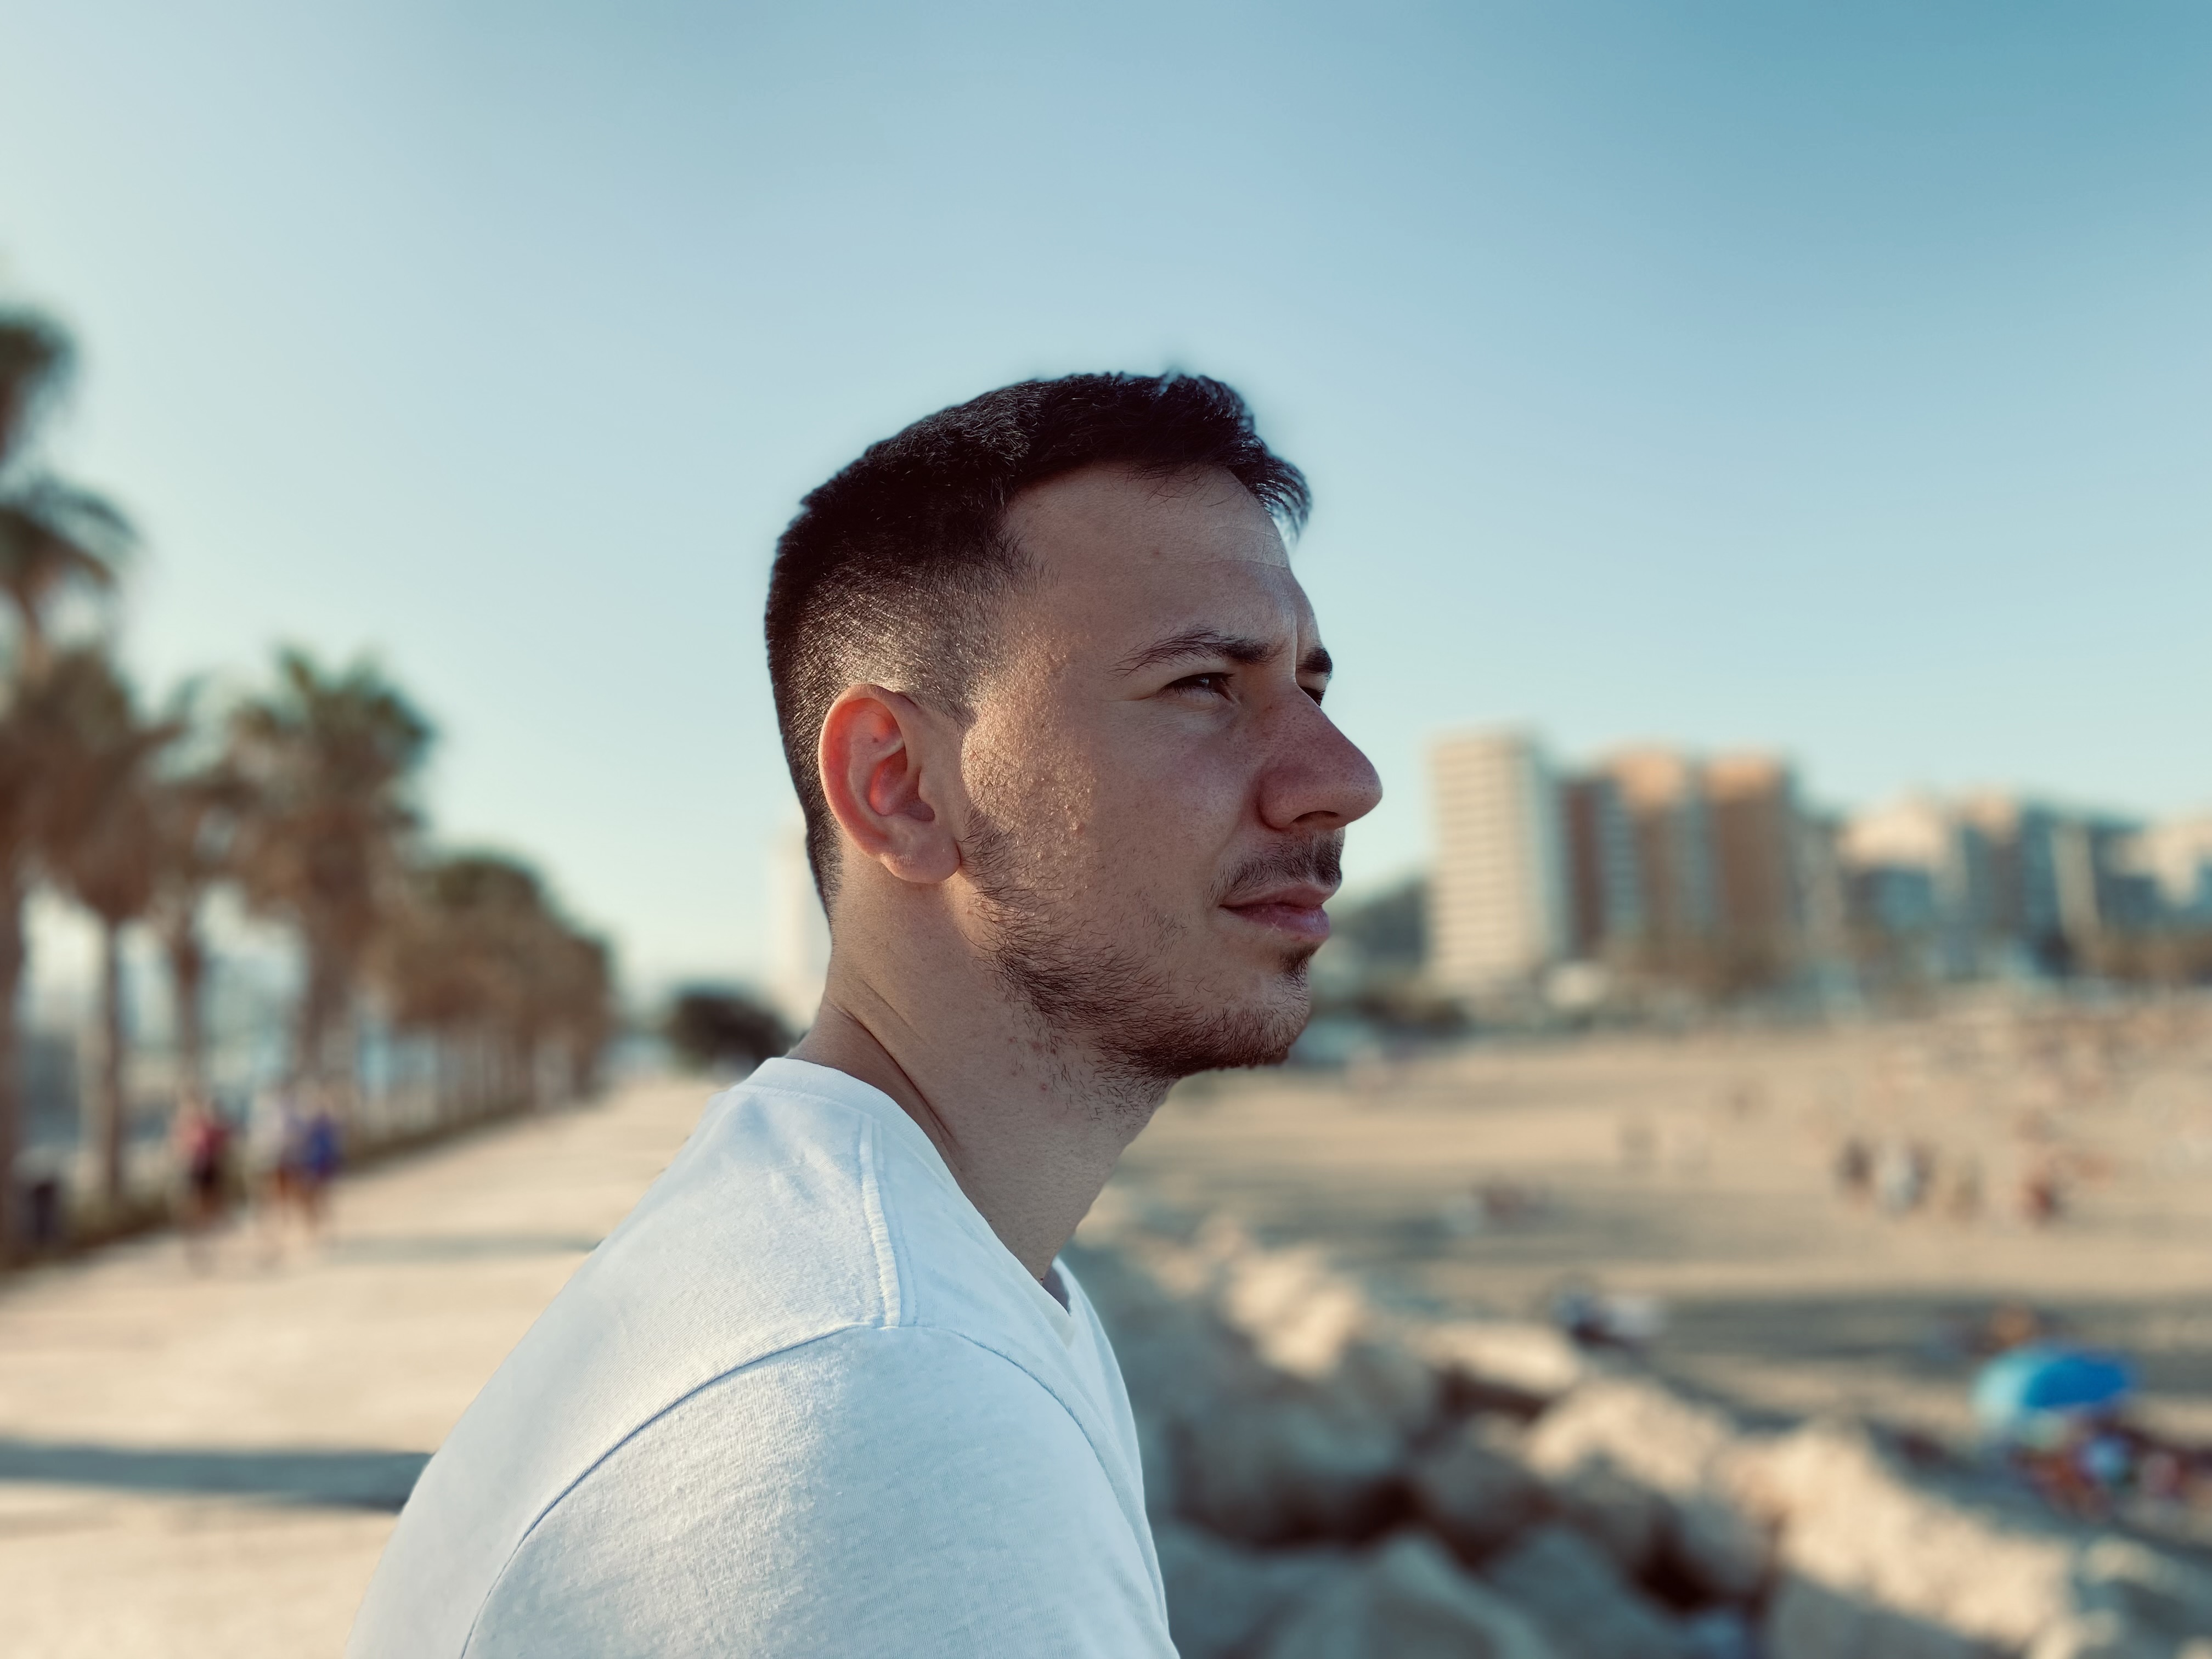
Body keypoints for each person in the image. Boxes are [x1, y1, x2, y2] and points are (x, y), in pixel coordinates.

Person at [348, 373, 1380, 1657]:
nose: (1343, 780)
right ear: (899, 786)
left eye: (1312, 690)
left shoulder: (926, 1276)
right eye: (1205, 685)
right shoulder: (889, 1399)